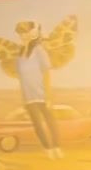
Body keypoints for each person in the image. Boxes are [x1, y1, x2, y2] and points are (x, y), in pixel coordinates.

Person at [13, 21, 62, 158]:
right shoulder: (19, 54)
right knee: (37, 124)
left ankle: (57, 147)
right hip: (29, 96)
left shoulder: (39, 50)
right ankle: (48, 149)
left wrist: (48, 95)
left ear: (31, 33)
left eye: (25, 32)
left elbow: (46, 72)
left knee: (50, 121)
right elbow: (21, 78)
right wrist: (23, 96)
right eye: (20, 33)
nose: (22, 35)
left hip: (42, 93)